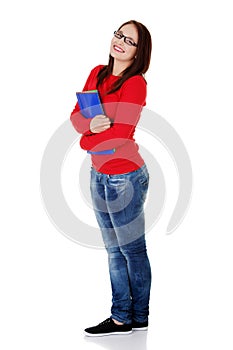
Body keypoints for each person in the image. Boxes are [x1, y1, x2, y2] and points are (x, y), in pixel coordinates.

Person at [70, 19, 152, 337]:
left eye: (128, 40)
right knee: (113, 250)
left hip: (126, 176)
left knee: (132, 250)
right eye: (118, 34)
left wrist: (84, 140)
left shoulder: (135, 84)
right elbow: (77, 116)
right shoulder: (97, 73)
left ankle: (132, 316)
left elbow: (120, 135)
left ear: (138, 52)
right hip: (99, 174)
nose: (119, 41)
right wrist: (89, 127)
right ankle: (125, 316)